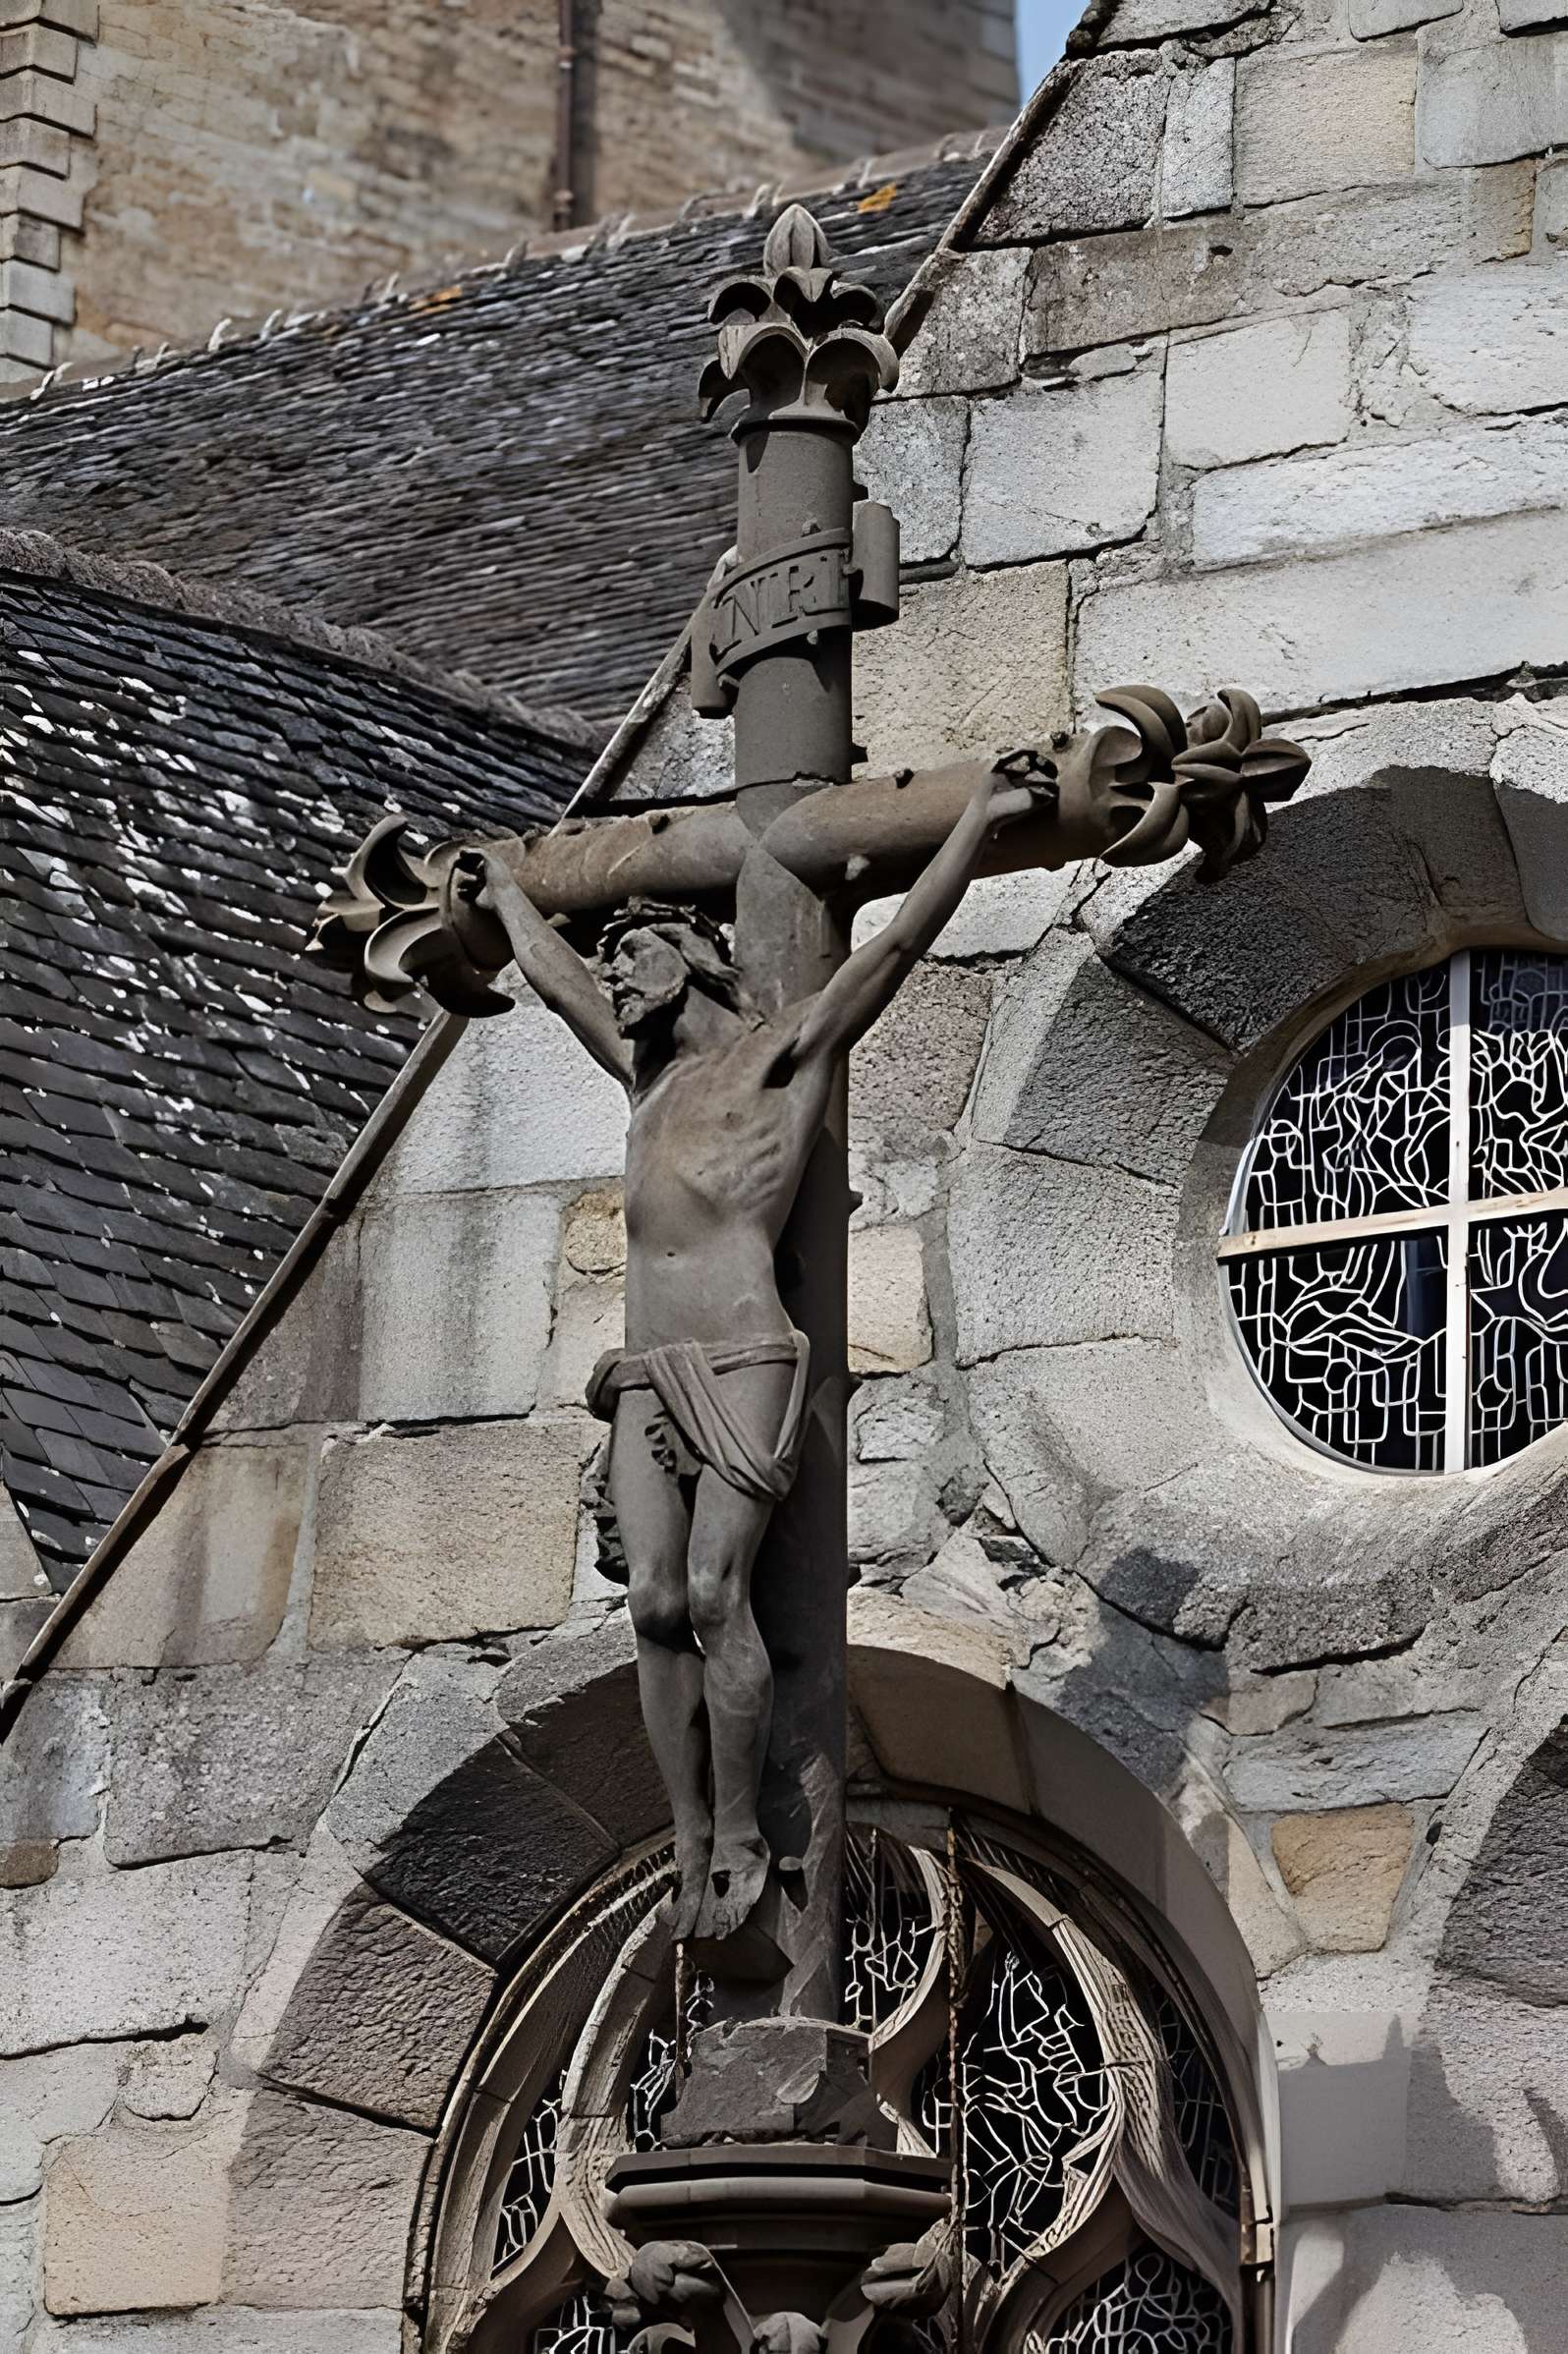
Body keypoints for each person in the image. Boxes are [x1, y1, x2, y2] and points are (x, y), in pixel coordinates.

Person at [472, 764, 1038, 1947]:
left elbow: (881, 961)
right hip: (645, 1371)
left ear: (688, 955)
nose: (619, 978)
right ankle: (685, 1830)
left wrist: (977, 827)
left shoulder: (778, 1061)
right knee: (656, 1603)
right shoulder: (646, 1081)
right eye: (616, 964)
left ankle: (739, 1828)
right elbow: (562, 981)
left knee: (721, 1592)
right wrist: (511, 898)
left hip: (743, 1360)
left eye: (636, 957)